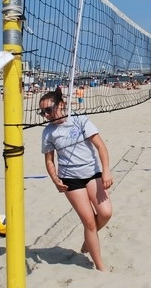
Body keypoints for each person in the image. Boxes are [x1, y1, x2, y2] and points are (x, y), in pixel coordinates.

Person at [40, 88, 112, 271]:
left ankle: (89, 239)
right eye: (42, 112)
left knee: (105, 213)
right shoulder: (48, 132)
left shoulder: (80, 121)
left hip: (92, 174)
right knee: (88, 222)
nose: (45, 115)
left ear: (61, 105)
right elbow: (49, 160)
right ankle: (100, 266)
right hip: (70, 180)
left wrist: (106, 171)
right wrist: (55, 179)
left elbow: (101, 147)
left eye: (48, 110)